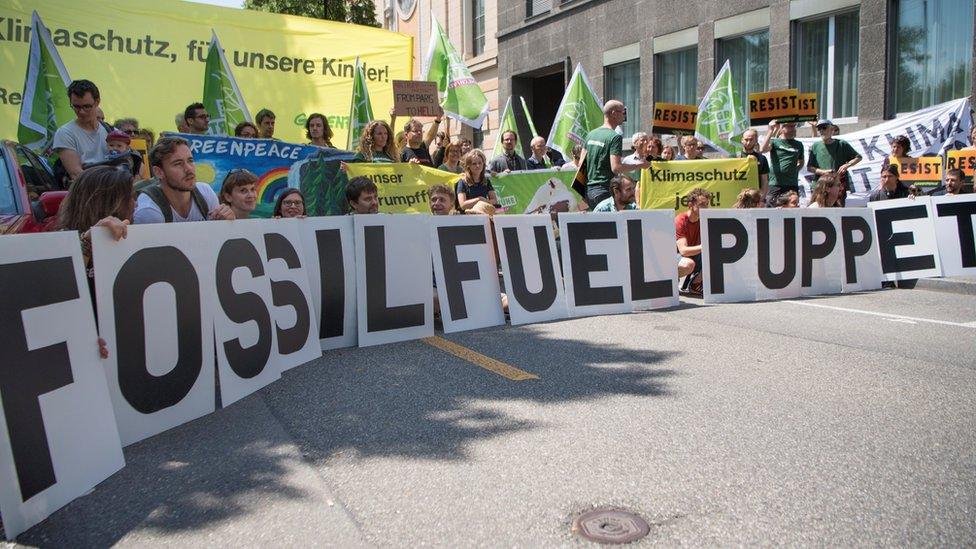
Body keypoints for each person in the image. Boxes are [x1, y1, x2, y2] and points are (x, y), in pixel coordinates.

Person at [57, 165, 133, 358]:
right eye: (130, 197)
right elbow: (55, 297)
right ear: (109, 203)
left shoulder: (131, 239)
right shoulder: (59, 245)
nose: (135, 203)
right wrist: (88, 243)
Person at [134, 136, 234, 223]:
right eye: (178, 163)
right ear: (158, 172)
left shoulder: (205, 192)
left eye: (190, 161)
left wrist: (226, 223)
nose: (189, 169)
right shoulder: (148, 210)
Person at [582, 100, 652, 209]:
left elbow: (581, 165)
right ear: (614, 113)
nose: (624, 115)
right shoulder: (615, 137)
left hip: (589, 191)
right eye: (623, 112)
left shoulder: (590, 135)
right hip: (605, 190)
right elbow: (616, 167)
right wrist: (641, 165)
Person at [53, 80, 110, 181]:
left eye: (86, 106)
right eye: (76, 107)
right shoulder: (65, 133)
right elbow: (76, 175)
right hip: (87, 191)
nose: (81, 112)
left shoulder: (110, 130)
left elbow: (137, 163)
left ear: (97, 102)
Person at [808, 119, 862, 205]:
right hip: (820, 186)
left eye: (824, 128)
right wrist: (823, 172)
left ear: (832, 129)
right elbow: (810, 167)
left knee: (838, 211)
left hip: (836, 186)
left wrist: (847, 165)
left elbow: (858, 157)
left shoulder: (841, 144)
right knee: (818, 210)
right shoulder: (815, 146)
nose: (821, 131)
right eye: (819, 128)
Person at [760, 120, 805, 208]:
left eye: (794, 126)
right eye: (790, 126)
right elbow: (762, 150)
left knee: (792, 209)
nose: (793, 129)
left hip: (791, 184)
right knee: (770, 208)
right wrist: (770, 130)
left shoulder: (799, 144)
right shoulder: (775, 142)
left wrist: (794, 170)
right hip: (775, 183)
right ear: (782, 128)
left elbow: (801, 162)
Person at [676, 187, 711, 296]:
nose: (705, 208)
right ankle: (669, 279)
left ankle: (695, 284)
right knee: (688, 264)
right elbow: (683, 251)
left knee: (718, 253)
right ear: (690, 205)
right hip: (676, 257)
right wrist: (705, 246)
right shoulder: (680, 220)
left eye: (706, 204)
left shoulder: (704, 219)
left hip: (695, 255)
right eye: (702, 205)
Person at [456, 149, 498, 214]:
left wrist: (484, 202)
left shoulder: (486, 181)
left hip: (483, 217)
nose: (477, 166)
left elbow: (494, 200)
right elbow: (463, 205)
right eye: (474, 164)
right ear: (468, 166)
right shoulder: (462, 182)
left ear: (483, 164)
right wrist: (479, 200)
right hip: (466, 218)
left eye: (480, 163)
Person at [739, 129, 769, 199]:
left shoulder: (762, 158)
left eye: (751, 140)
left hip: (755, 198)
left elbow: (764, 180)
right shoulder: (734, 157)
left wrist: (762, 198)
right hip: (738, 196)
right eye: (746, 140)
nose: (748, 142)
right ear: (742, 140)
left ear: (756, 141)